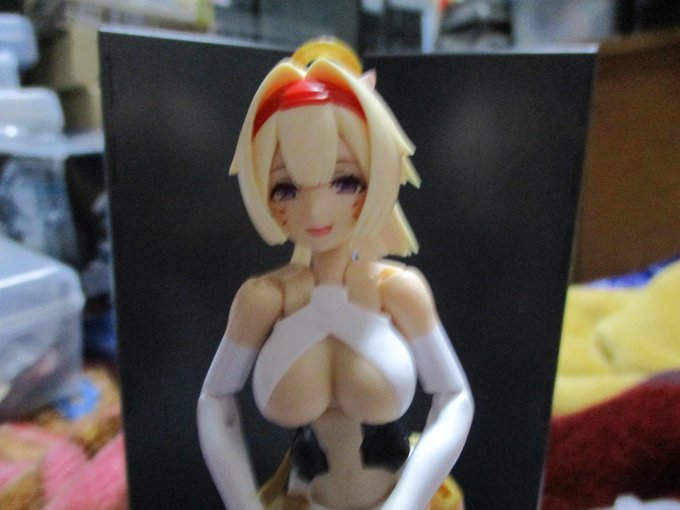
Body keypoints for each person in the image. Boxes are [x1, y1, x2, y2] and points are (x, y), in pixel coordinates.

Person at [197, 38, 473, 510]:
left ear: (375, 174)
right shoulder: (265, 299)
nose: (316, 210)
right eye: (286, 188)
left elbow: (455, 397)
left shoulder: (397, 292)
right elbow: (214, 401)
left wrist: (407, 502)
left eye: (345, 182)